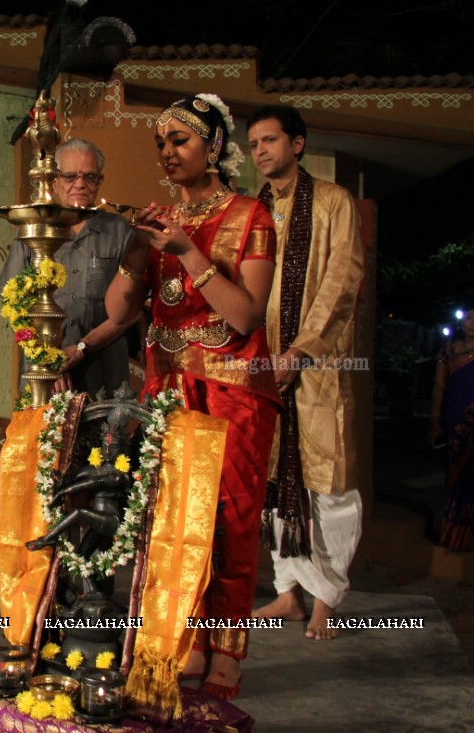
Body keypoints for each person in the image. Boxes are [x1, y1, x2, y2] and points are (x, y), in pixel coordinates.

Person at [106, 95, 279, 698]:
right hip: (167, 386)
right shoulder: (158, 219)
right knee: (172, 521)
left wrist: (185, 251)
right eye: (162, 143)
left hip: (233, 387)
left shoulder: (250, 214)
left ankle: (226, 645)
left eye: (180, 140)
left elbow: (245, 317)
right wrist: (136, 250)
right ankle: (186, 640)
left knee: (228, 520)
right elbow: (118, 311)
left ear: (214, 147)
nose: (168, 152)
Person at [246, 105, 366, 641]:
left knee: (329, 480)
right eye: (254, 144)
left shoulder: (334, 203)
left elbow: (342, 280)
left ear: (296, 144)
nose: (261, 151)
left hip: (314, 365)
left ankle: (326, 596)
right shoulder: (251, 211)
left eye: (270, 140)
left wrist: (299, 351)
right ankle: (287, 592)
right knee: (273, 477)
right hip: (259, 363)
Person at [0, 138, 134, 395]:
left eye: (90, 176)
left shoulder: (121, 232)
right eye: (70, 176)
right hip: (43, 377)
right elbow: (13, 304)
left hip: (103, 373)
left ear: (100, 182)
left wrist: (81, 348)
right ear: (55, 181)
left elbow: (131, 310)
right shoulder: (33, 227)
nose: (80, 184)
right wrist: (48, 360)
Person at [430, 303, 474, 551]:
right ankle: (452, 535)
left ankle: (472, 535)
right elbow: (439, 387)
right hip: (454, 419)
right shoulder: (449, 350)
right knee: (454, 475)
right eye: (470, 317)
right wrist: (435, 420)